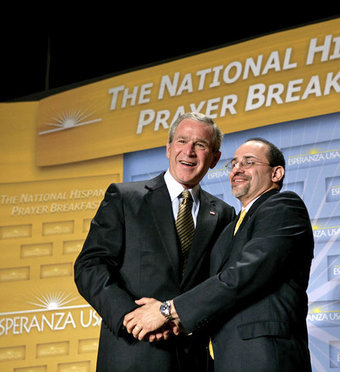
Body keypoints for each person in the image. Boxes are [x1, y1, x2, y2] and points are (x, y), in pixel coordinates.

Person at [124, 138, 315, 372]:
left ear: (276, 173)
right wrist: (177, 322)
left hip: (267, 357)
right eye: (233, 164)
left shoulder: (284, 206)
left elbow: (243, 275)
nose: (237, 169)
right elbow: (216, 290)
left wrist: (167, 310)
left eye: (249, 162)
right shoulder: (229, 228)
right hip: (227, 358)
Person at [74, 112, 235, 372]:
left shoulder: (224, 214)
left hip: (193, 360)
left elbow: (221, 284)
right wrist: (133, 318)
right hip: (132, 353)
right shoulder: (125, 198)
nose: (189, 151)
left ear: (215, 158)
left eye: (201, 145)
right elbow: (90, 266)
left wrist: (179, 317)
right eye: (182, 141)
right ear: (169, 148)